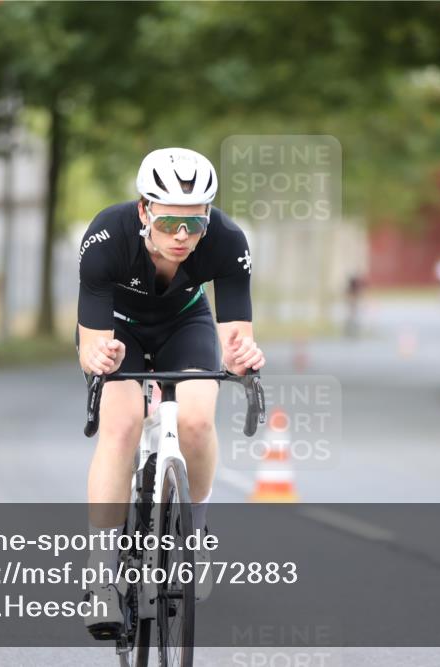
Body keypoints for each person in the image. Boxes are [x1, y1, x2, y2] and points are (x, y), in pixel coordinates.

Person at [76, 147, 265, 638]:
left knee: (197, 421)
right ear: (144, 211)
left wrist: (242, 356)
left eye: (194, 225)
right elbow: (92, 345)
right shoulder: (106, 237)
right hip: (120, 331)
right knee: (121, 426)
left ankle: (196, 532)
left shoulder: (226, 240)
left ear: (207, 217)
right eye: (167, 224)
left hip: (187, 322)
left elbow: (235, 338)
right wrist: (99, 359)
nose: (181, 237)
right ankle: (100, 575)